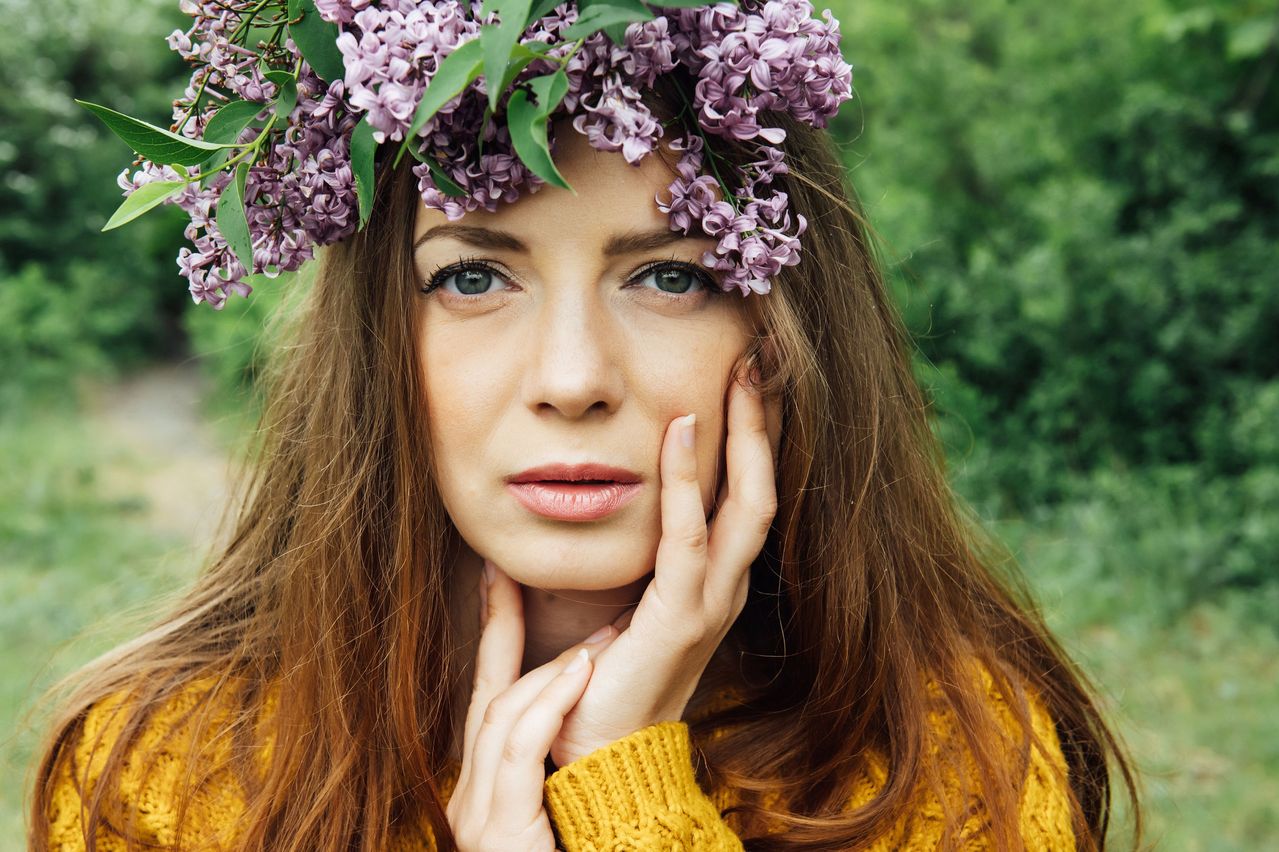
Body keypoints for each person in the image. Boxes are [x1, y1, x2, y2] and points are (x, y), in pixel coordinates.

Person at [30, 3, 1138, 850]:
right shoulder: (164, 775)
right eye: (471, 277)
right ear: (377, 347)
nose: (571, 380)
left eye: (667, 277)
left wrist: (627, 793)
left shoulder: (955, 764)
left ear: (790, 327)